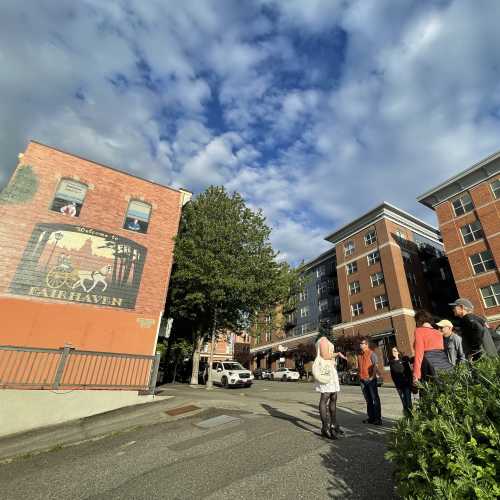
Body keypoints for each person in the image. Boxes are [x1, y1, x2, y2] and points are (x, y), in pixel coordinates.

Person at [315, 333, 347, 439]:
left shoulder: (325, 340)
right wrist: (337, 354)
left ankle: (334, 425)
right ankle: (325, 427)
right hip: (326, 371)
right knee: (325, 397)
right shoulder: (323, 340)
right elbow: (324, 356)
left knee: (334, 396)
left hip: (330, 370)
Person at [413, 310, 453, 383]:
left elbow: (419, 354)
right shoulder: (438, 332)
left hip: (428, 364)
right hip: (443, 363)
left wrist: (416, 375)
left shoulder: (419, 331)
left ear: (418, 321)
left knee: (429, 390)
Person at [357, 338, 382, 425]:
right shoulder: (359, 355)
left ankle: (378, 419)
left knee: (375, 399)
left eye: (362, 343)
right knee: (368, 400)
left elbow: (376, 365)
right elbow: (359, 367)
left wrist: (373, 376)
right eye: (360, 343)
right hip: (362, 381)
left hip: (370, 380)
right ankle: (371, 418)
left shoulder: (372, 353)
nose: (360, 345)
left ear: (366, 344)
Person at [389, 347, 412, 415]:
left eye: (395, 351)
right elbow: (393, 375)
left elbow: (409, 372)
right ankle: (407, 417)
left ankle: (411, 416)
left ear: (398, 352)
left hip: (406, 384)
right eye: (392, 351)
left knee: (408, 401)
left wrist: (410, 382)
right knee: (404, 402)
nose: (393, 352)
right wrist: (396, 385)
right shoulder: (391, 362)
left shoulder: (404, 360)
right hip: (399, 386)